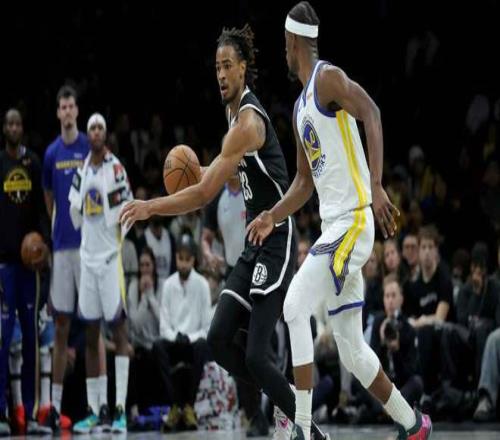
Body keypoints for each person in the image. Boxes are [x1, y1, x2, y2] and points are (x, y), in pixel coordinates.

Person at [120, 23, 328, 440]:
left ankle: (309, 430)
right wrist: (206, 169)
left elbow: (202, 194)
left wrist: (149, 207)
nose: (220, 74)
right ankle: (286, 396)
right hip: (253, 240)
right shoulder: (232, 116)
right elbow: (223, 174)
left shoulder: (248, 122)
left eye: (227, 65)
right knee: (217, 341)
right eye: (216, 66)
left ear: (243, 68)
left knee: (255, 355)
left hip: (277, 236)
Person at [246, 2, 431, 439]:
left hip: (353, 223)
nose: (283, 50)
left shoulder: (326, 77)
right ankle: (413, 424)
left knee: (294, 305)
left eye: (284, 43)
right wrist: (272, 214)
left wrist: (377, 184)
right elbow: (303, 183)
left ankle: (304, 428)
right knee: (351, 349)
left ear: (292, 41)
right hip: (336, 229)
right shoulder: (299, 108)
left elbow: (372, 112)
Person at [42, 85, 106, 432]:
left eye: (71, 106)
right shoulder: (51, 154)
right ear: (57, 113)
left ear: (77, 111)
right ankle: (53, 407)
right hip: (62, 250)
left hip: (89, 249)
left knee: (94, 326)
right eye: (62, 107)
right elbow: (50, 200)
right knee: (61, 327)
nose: (67, 112)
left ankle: (100, 406)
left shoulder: (88, 146)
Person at [69, 114, 132, 433]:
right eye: (91, 128)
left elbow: (129, 210)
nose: (95, 132)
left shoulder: (116, 168)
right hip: (87, 260)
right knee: (91, 336)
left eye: (100, 128)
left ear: (105, 134)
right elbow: (72, 210)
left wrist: (117, 241)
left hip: (109, 260)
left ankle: (119, 409)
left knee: (119, 333)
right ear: (87, 134)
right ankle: (96, 410)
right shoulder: (81, 170)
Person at [0, 109, 51, 435]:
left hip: (29, 267)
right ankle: (2, 414)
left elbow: (42, 212)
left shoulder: (33, 162)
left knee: (31, 340)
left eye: (18, 123)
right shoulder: (0, 163)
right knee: (3, 340)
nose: (14, 127)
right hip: (4, 266)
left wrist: (44, 244)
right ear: (4, 128)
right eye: (10, 123)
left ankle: (31, 416)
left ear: (22, 128)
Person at [154, 234, 211, 431]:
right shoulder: (168, 284)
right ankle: (175, 406)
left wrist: (189, 337)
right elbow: (163, 325)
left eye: (188, 259)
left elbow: (206, 327)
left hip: (193, 343)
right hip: (174, 341)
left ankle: (188, 407)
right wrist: (175, 336)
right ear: (176, 258)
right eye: (180, 258)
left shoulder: (202, 284)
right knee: (157, 346)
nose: (184, 264)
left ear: (193, 260)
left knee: (203, 345)